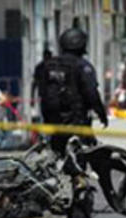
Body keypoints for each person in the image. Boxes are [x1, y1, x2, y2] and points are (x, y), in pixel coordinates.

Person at [37, 27, 108, 155]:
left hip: (54, 121)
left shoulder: (49, 65)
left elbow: (42, 92)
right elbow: (91, 92)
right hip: (76, 121)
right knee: (84, 154)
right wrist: (101, 113)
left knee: (57, 154)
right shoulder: (82, 65)